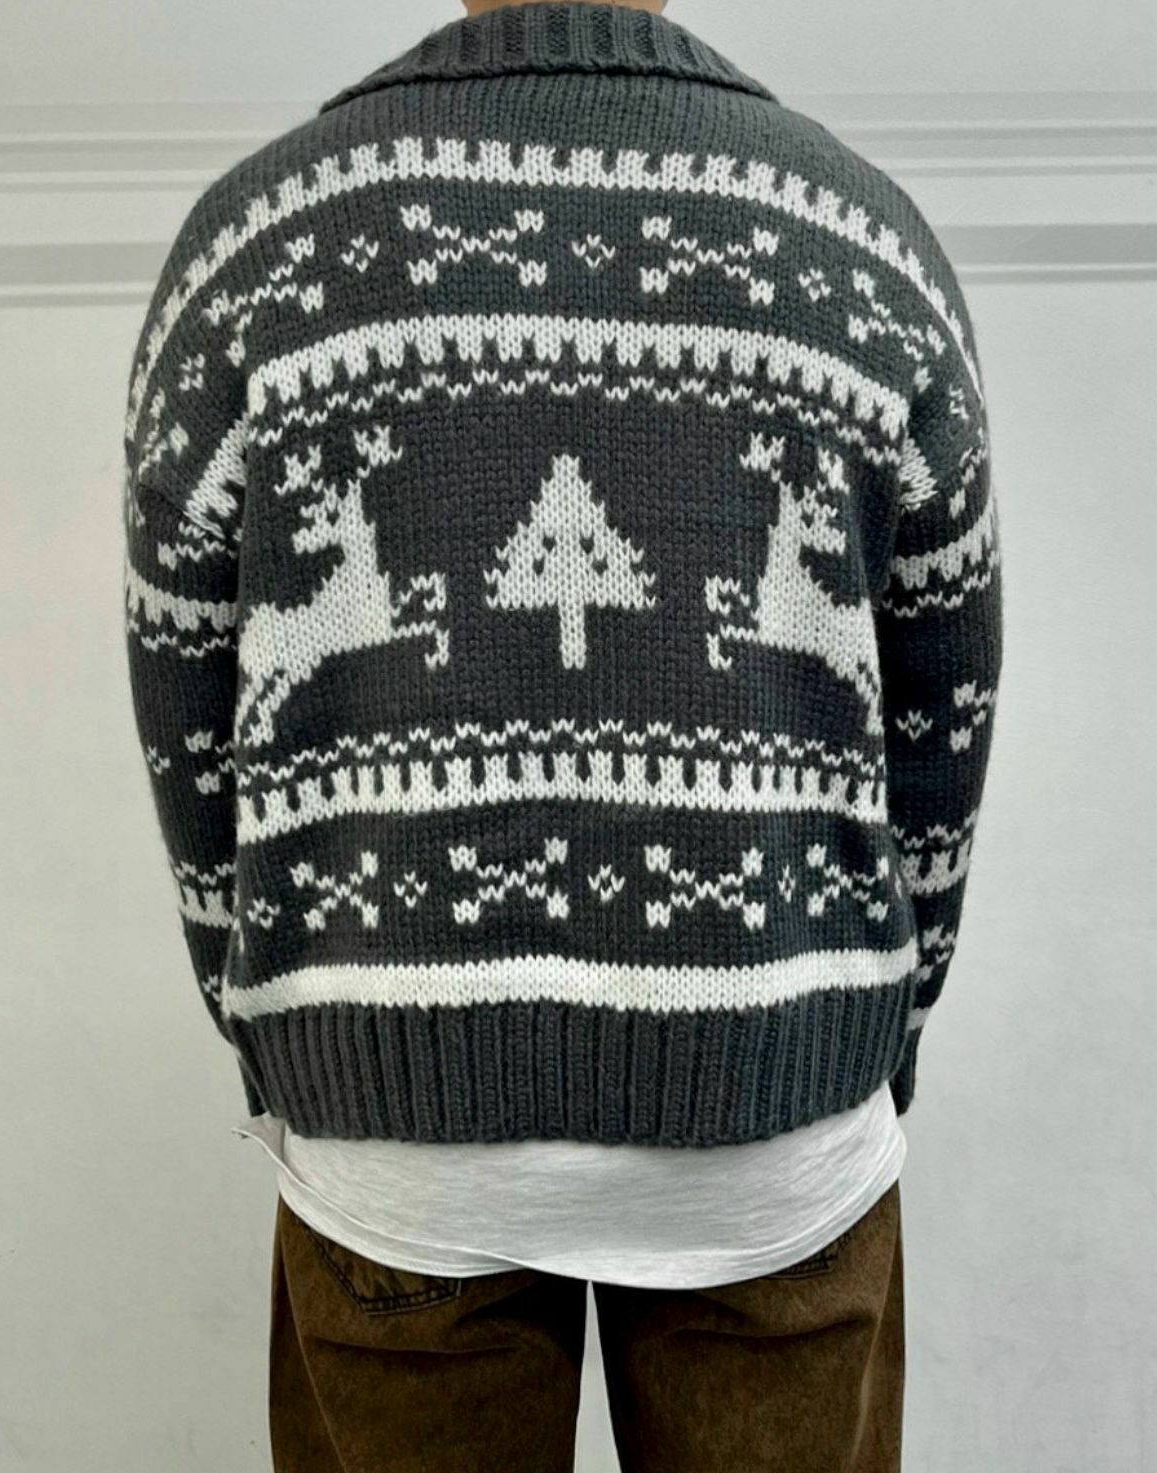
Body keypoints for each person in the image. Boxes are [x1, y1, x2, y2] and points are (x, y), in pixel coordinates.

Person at [121, 1, 1004, 1467]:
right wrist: (871, 1024)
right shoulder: (858, 243)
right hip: (771, 1110)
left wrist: (284, 1026)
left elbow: (185, 707)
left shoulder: (258, 249)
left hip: (394, 1134)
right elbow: (942, 718)